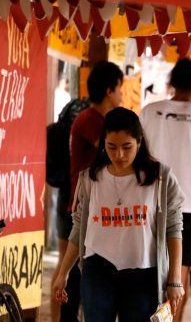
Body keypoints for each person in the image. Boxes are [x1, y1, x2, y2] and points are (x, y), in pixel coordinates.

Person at [52, 107, 185, 321]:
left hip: (143, 272)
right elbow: (79, 228)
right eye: (111, 147)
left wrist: (175, 279)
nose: (119, 155)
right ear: (102, 144)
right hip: (98, 267)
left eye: (127, 147)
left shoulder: (160, 178)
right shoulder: (90, 179)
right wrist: (63, 272)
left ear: (139, 142)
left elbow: (174, 228)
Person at [141, 58, 191, 321]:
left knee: (148, 263)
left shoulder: (149, 111)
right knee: (180, 268)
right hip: (189, 203)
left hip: (149, 198)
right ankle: (173, 320)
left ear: (172, 82)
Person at [50, 61, 123, 322]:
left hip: (84, 206)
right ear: (109, 91)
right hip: (80, 207)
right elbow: (109, 156)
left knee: (76, 275)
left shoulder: (94, 119)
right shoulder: (92, 120)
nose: (122, 95)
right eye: (120, 88)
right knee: (72, 275)